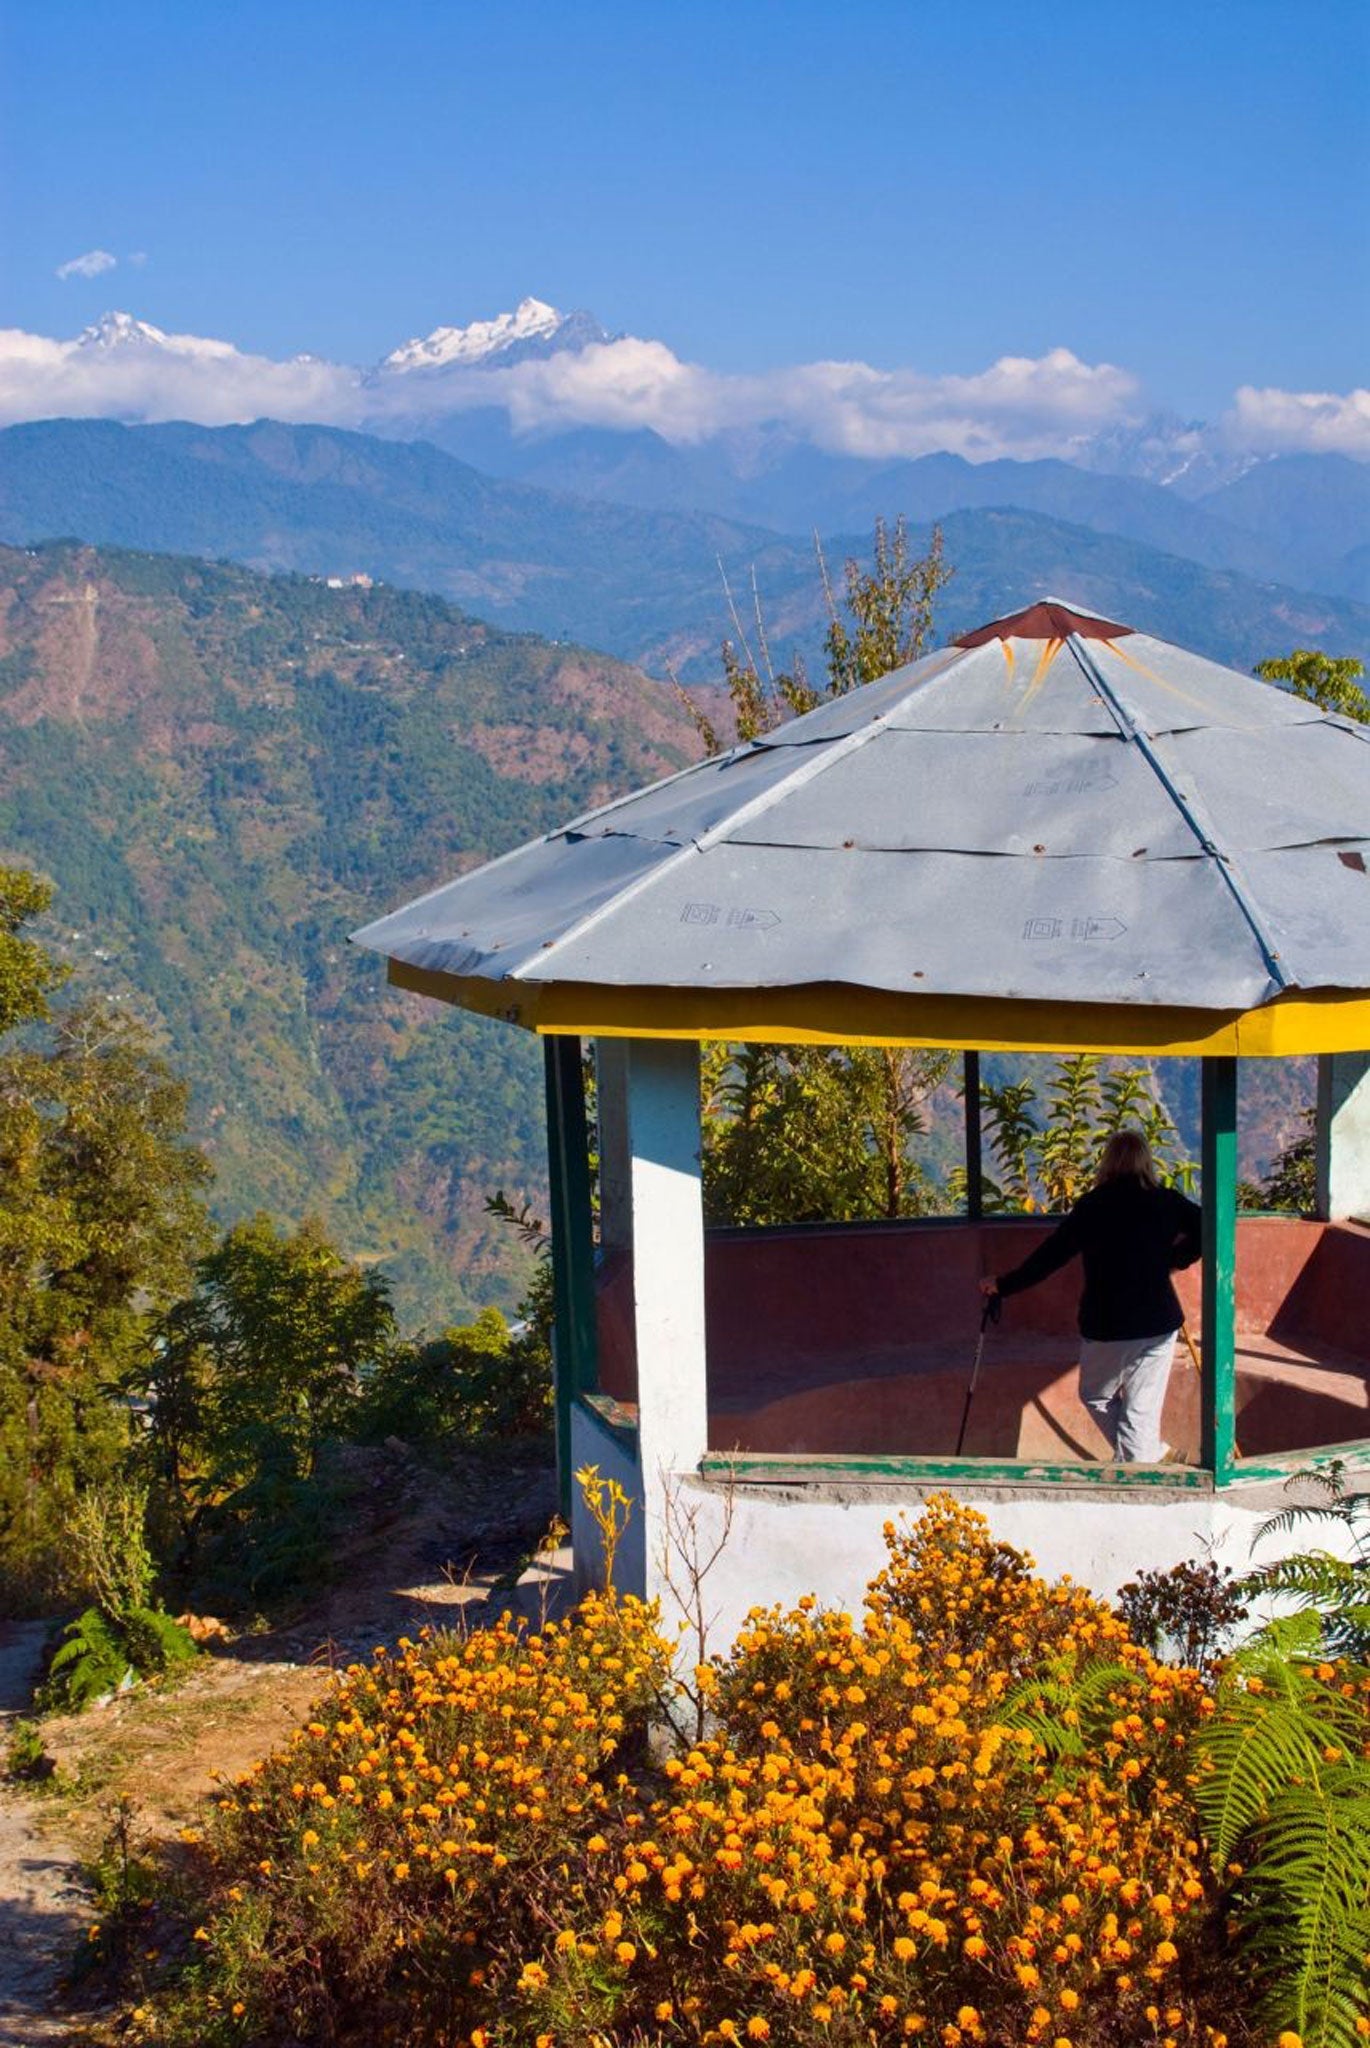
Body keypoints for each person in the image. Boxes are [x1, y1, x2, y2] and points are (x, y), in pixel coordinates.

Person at [980, 1130, 1202, 1464]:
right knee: (1139, 1413)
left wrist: (1003, 1285)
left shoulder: (1093, 1206)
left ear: (1108, 1161)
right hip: (1159, 1323)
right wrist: (1175, 1259)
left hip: (1107, 1324)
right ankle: (1148, 1455)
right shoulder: (1166, 1201)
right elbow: (1207, 1226)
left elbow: (1050, 1257)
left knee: (1096, 1397)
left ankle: (1141, 1472)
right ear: (1146, 1161)